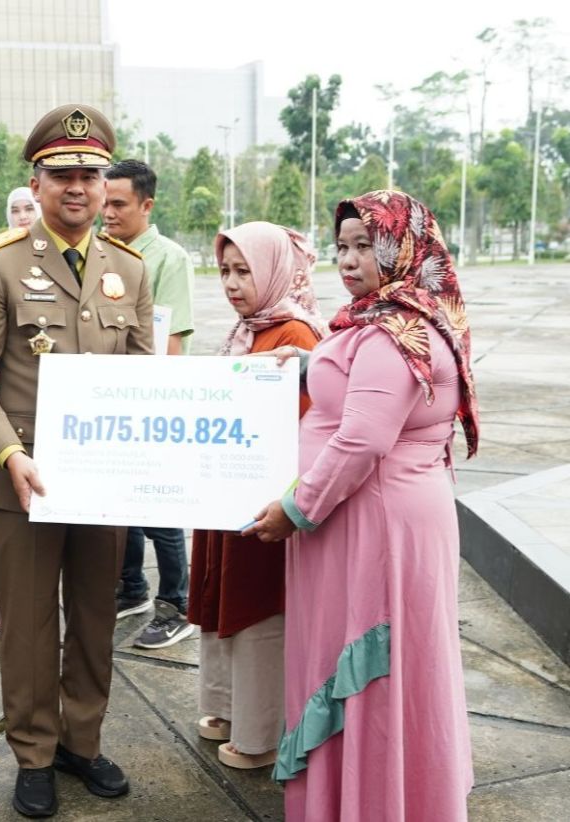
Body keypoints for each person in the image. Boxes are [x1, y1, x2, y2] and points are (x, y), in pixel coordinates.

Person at [245, 190, 479, 821]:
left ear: (401, 248)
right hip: (370, 517)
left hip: (371, 525)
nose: (349, 261)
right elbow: (355, 393)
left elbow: (362, 439)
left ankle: (372, 804)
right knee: (383, 667)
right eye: (342, 246)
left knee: (369, 668)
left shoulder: (396, 332)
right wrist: (307, 362)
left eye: (364, 245)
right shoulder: (383, 321)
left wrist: (294, 509)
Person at [0, 104, 154, 818]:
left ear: (107, 186)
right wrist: (8, 451)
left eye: (91, 176)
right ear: (36, 183)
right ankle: (34, 752)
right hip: (22, 482)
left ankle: (82, 741)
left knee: (97, 618)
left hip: (103, 484)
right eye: (62, 174)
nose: (78, 186)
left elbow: (139, 373)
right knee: (31, 625)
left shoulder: (127, 269)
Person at [189, 221, 325, 771]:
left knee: (257, 614)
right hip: (227, 492)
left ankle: (259, 732)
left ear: (274, 272)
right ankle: (225, 709)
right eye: (225, 270)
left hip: (261, 500)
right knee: (223, 601)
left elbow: (305, 429)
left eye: (244, 270)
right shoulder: (249, 329)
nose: (232, 282)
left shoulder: (295, 336)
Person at [101, 158, 196, 648]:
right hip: (112, 400)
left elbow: (172, 339)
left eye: (118, 203)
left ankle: (176, 603)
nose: (107, 211)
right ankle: (131, 588)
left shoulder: (166, 258)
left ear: (146, 204)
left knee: (160, 507)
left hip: (154, 400)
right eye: (104, 201)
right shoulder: (100, 252)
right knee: (123, 504)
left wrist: (153, 404)